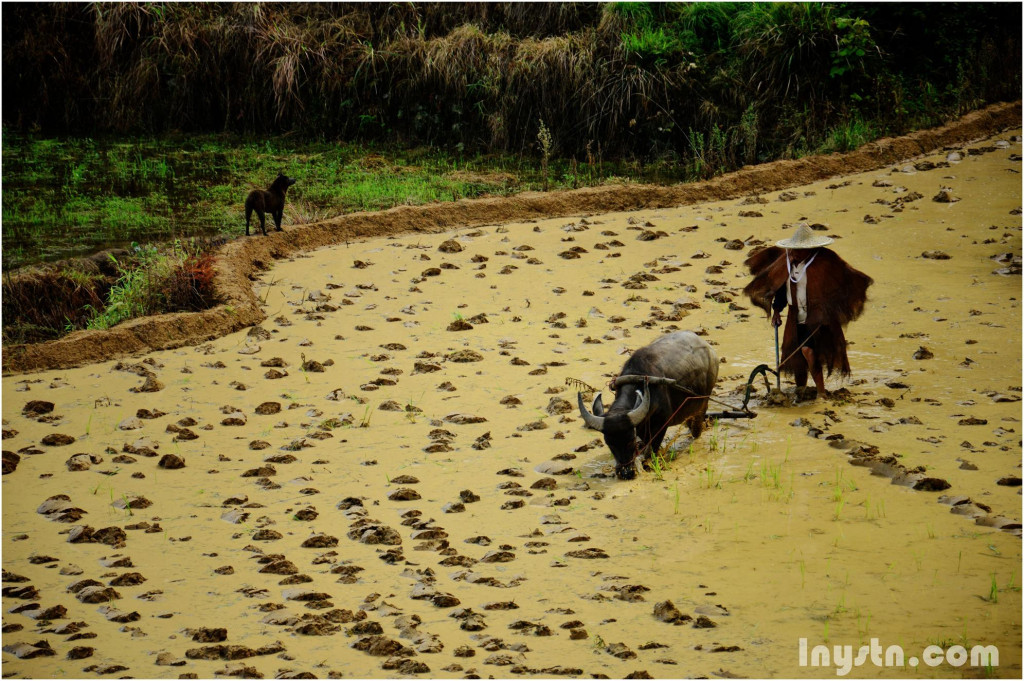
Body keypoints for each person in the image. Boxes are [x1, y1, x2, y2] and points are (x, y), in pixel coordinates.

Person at [743, 223, 873, 398]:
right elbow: (781, 289)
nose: (794, 253)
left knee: (808, 352)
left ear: (810, 249)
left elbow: (840, 285)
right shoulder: (786, 262)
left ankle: (821, 392)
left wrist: (830, 310)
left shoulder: (825, 262)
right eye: (793, 249)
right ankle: (800, 388)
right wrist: (776, 312)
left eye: (798, 250)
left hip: (818, 317)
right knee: (795, 355)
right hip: (795, 315)